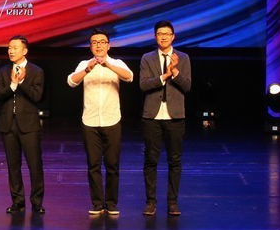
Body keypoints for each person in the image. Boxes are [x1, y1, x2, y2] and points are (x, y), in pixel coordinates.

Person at [67, 29, 133, 216]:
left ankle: (111, 204)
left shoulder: (116, 63)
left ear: (108, 45)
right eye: (94, 42)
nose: (98, 45)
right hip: (90, 121)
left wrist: (108, 65)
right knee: (93, 165)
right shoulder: (84, 64)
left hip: (112, 119)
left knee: (112, 164)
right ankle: (97, 204)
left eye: (102, 42)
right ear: (90, 47)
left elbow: (129, 76)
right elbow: (71, 81)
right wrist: (88, 69)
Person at [139, 20, 191, 217]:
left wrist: (174, 72)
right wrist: (164, 76)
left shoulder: (183, 58)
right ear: (155, 37)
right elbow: (143, 85)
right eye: (160, 34)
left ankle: (172, 202)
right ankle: (150, 202)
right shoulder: (147, 58)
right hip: (152, 116)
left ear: (173, 37)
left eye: (167, 34)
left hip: (175, 116)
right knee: (151, 160)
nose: (163, 37)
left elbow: (187, 86)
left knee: (175, 160)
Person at [0, 35, 45, 214]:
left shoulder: (36, 71)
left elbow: (37, 96)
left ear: (25, 51)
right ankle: (18, 202)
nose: (11, 51)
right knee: (13, 166)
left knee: (34, 165)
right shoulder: (2, 71)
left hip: (29, 125)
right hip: (8, 124)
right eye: (9, 47)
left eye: (15, 48)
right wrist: (13, 85)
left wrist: (22, 82)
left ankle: (37, 202)